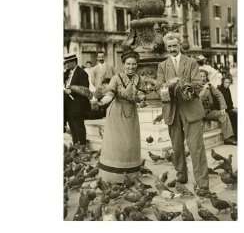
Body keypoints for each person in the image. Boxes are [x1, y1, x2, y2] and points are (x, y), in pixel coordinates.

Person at [156, 32, 210, 196]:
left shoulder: (191, 62)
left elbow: (198, 84)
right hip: (172, 111)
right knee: (177, 148)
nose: (172, 48)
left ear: (180, 45)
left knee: (196, 148)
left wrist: (183, 86)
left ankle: (202, 184)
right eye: (169, 46)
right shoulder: (162, 66)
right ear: (166, 47)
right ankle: (181, 178)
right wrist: (167, 86)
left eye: (175, 45)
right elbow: (159, 88)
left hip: (190, 109)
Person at [97, 48, 154, 182]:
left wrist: (141, 99)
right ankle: (114, 175)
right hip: (117, 113)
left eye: (134, 64)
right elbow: (110, 93)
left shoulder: (138, 78)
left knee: (130, 142)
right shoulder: (116, 78)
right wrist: (101, 102)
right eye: (128, 64)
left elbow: (140, 93)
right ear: (123, 64)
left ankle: (131, 173)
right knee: (117, 143)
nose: (131, 67)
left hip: (131, 114)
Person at [198, 69, 237, 145]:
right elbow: (198, 100)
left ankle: (227, 138)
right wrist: (204, 89)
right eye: (201, 76)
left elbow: (219, 94)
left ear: (206, 77)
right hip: (200, 113)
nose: (203, 78)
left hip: (210, 111)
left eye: (204, 76)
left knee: (224, 114)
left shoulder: (209, 85)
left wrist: (223, 107)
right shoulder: (196, 86)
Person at [64, 53, 90, 146]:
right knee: (72, 126)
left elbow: (85, 90)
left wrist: (71, 91)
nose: (65, 65)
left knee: (79, 126)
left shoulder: (82, 73)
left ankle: (82, 146)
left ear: (73, 62)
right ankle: (76, 145)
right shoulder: (67, 73)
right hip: (68, 105)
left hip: (78, 105)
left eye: (67, 63)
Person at [218, 76, 238, 140]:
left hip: (228, 108)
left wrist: (232, 108)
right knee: (234, 115)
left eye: (229, 82)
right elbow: (220, 103)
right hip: (222, 109)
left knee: (236, 112)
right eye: (226, 82)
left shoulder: (227, 89)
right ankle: (235, 135)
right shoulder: (219, 89)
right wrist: (230, 109)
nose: (228, 84)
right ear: (223, 82)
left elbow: (230, 101)